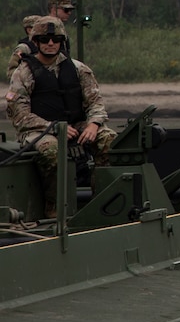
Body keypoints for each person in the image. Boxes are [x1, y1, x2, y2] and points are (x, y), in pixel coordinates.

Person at [6, 18, 117, 220]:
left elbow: (95, 102)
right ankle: (55, 208)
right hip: (39, 129)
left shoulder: (78, 69)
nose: (51, 43)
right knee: (51, 151)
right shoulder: (23, 73)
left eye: (56, 39)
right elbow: (20, 115)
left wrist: (93, 124)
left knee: (110, 141)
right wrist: (53, 127)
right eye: (45, 39)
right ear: (36, 41)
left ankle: (104, 202)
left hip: (77, 124)